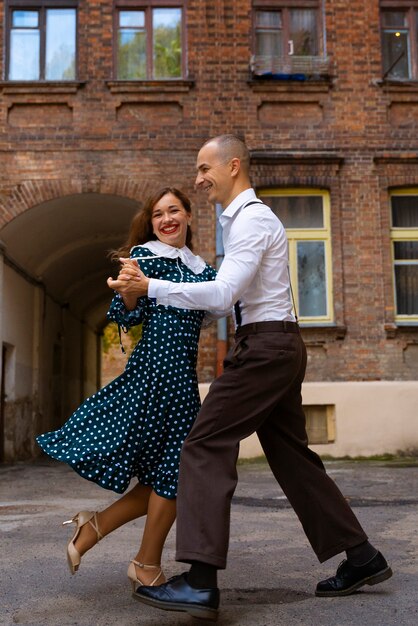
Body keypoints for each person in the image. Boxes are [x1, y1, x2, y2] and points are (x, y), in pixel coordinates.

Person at [119, 135, 392, 622]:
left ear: (233, 167)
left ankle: (200, 582)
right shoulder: (239, 221)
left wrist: (150, 285)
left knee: (202, 445)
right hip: (275, 345)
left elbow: (223, 295)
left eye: (205, 168)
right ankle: (362, 557)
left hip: (266, 348)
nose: (199, 178)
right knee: (293, 459)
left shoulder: (252, 220)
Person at [36, 186, 218, 590]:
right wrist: (130, 290)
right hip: (152, 376)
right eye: (158, 214)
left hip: (183, 384)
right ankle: (145, 563)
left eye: (174, 211)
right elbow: (124, 313)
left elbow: (216, 304)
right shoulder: (144, 258)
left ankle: (95, 529)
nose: (167, 219)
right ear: (151, 222)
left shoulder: (202, 268)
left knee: (166, 477)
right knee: (175, 474)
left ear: (188, 216)